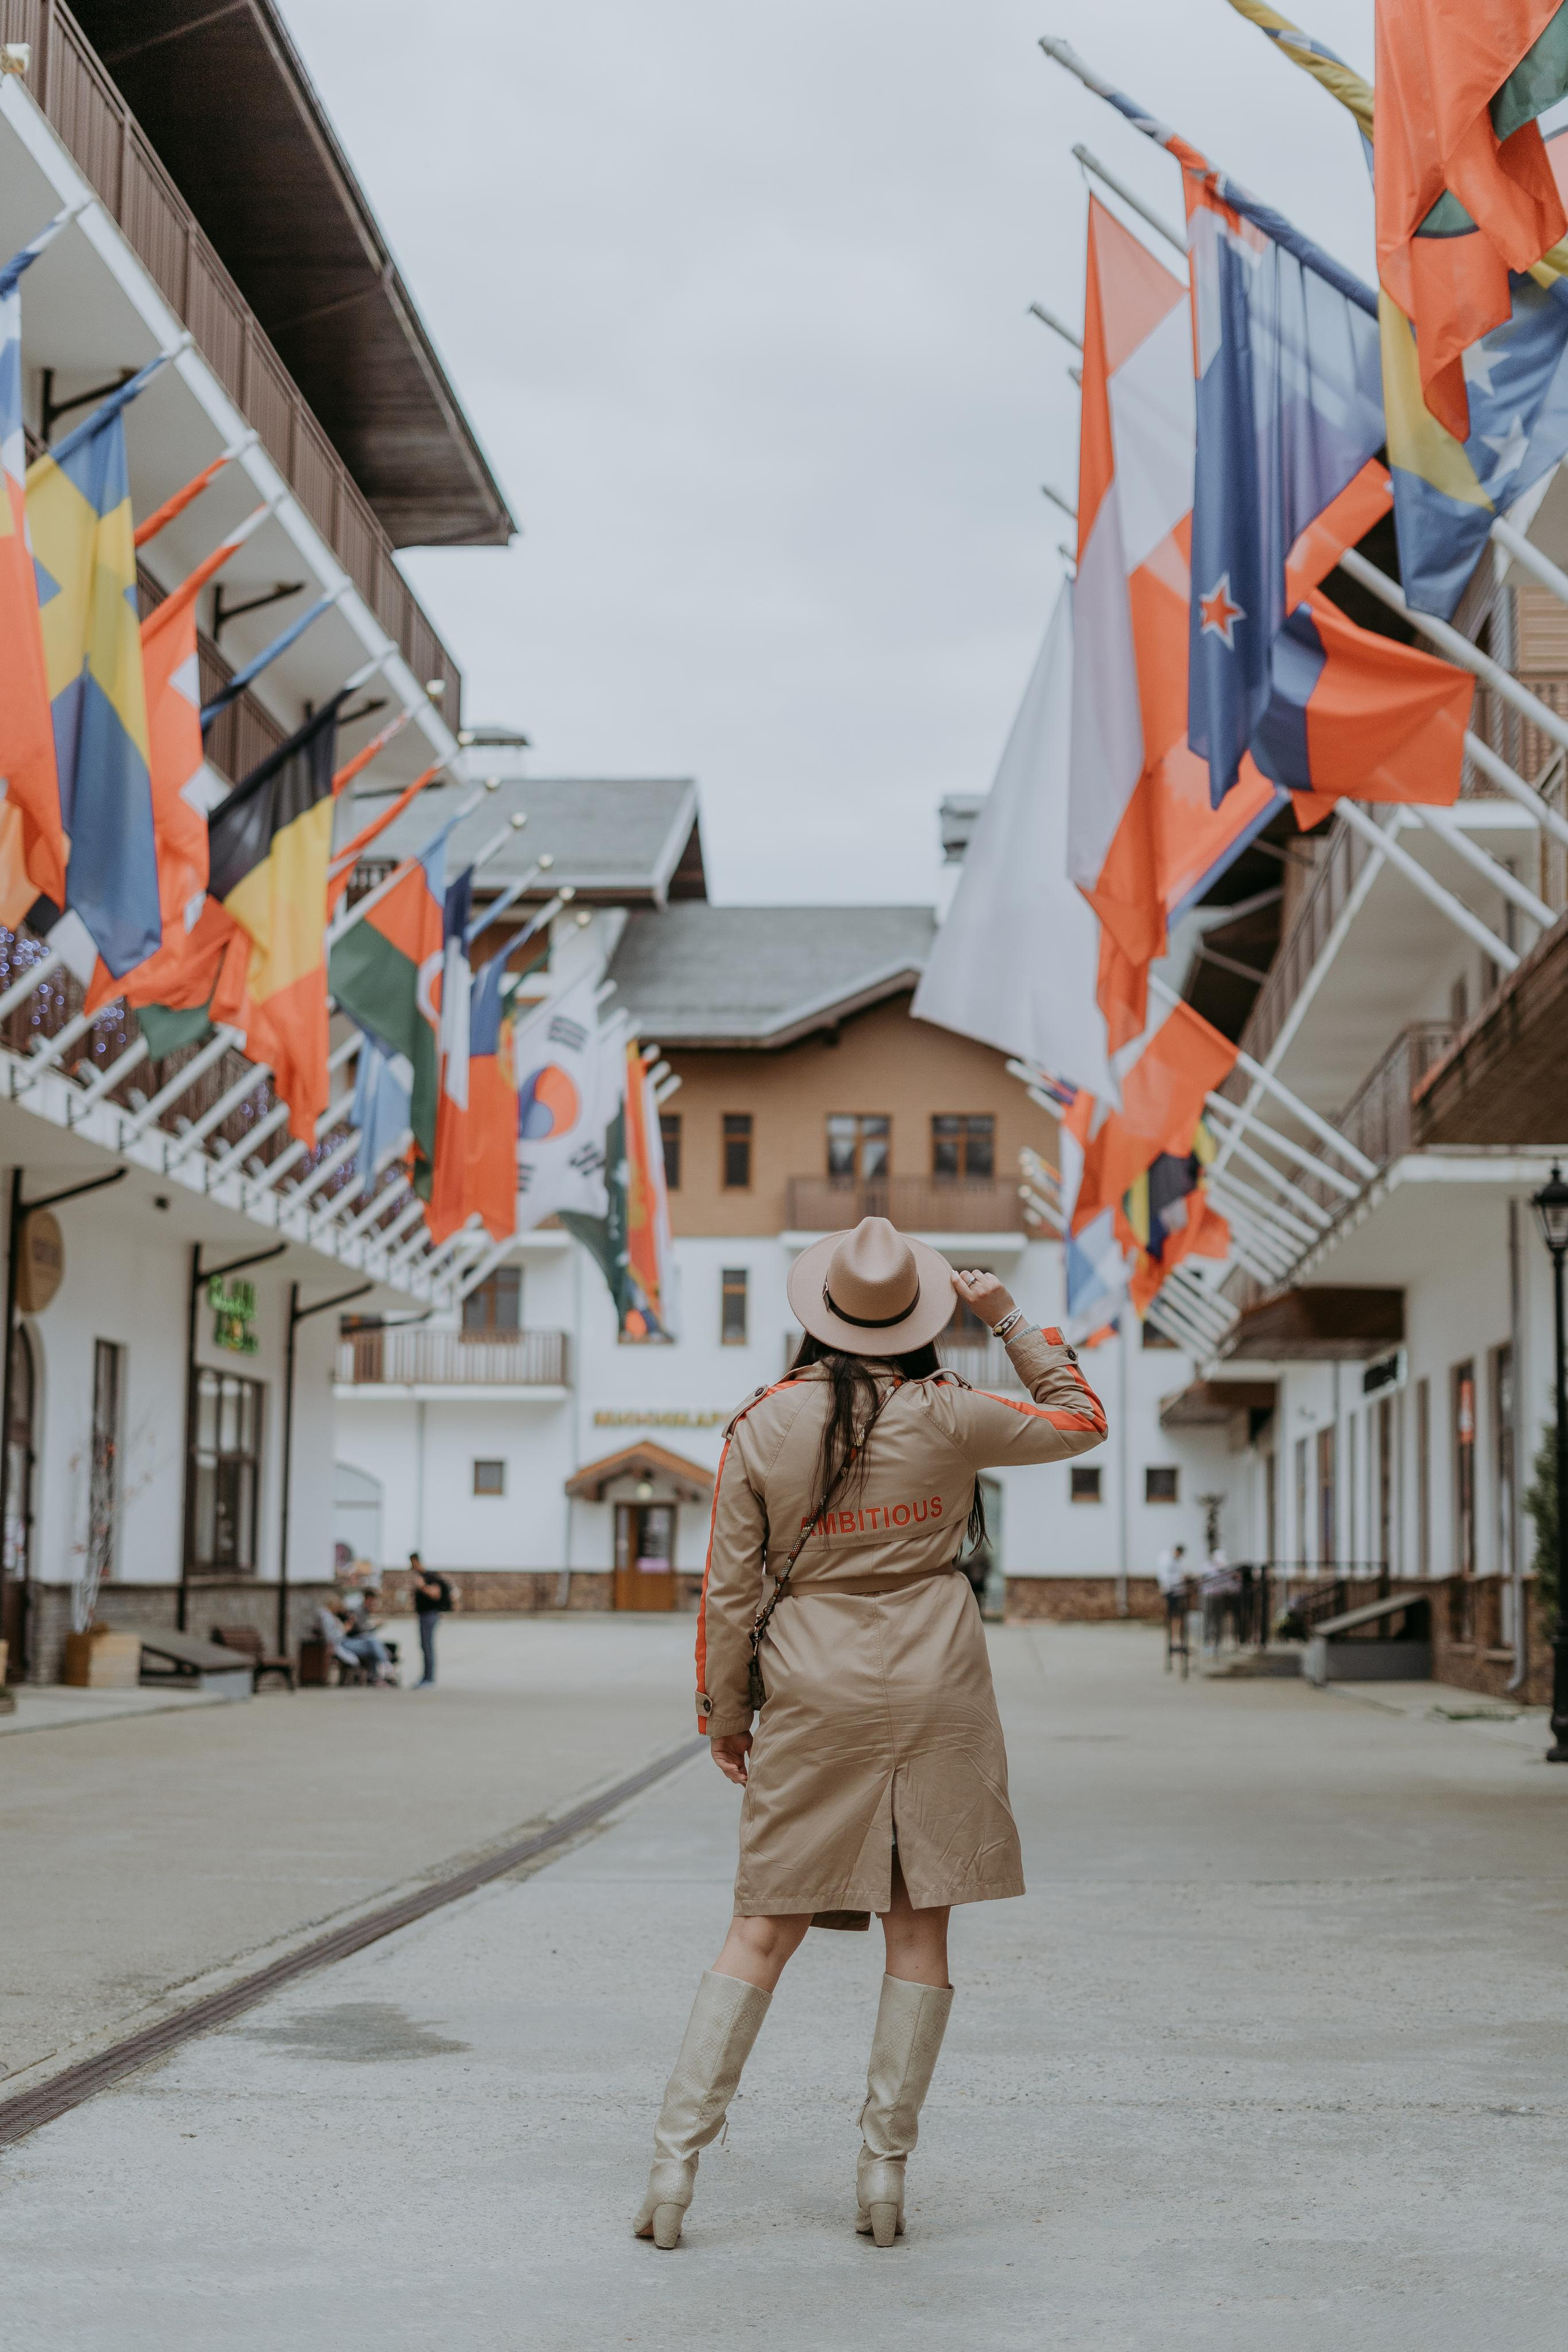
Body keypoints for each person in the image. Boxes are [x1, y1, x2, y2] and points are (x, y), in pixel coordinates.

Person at [632, 1217, 1107, 2251]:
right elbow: (1081, 1422)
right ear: (918, 1316)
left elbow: (729, 1586)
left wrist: (726, 1713)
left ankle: (673, 2173)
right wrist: (1008, 1317)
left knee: (763, 1924)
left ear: (823, 1314)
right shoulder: (948, 1413)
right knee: (920, 1927)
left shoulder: (760, 1425)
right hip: (940, 1683)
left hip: (812, 1687)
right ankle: (884, 2180)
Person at [315, 1599, 393, 1686]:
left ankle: (379, 1671)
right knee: (372, 1642)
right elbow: (333, 1637)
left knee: (372, 1642)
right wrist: (345, 1629)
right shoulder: (328, 1617)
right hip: (341, 1644)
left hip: (346, 1641)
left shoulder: (334, 1616)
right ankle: (385, 1665)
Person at [409, 1553, 453, 1687]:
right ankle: (426, 1676)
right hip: (423, 1615)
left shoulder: (429, 1577)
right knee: (424, 1645)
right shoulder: (421, 1577)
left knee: (428, 1646)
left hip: (430, 1615)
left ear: (416, 1562)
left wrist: (422, 1587)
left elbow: (436, 1594)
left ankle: (429, 1678)